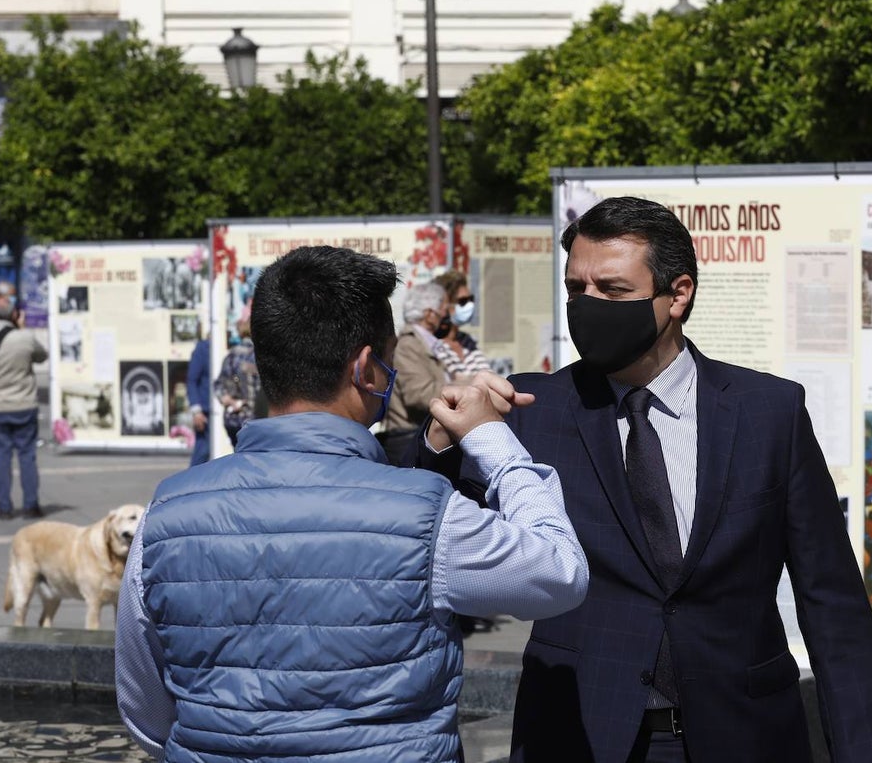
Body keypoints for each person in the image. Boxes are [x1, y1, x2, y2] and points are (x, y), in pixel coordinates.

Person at [415, 197, 872, 762]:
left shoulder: (769, 412)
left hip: (745, 734)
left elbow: (833, 605)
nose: (588, 305)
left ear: (678, 294)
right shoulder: (529, 410)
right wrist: (442, 443)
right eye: (576, 289)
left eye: (613, 290)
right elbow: (424, 533)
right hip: (580, 735)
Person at [114, 245, 588, 762]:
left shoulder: (165, 512)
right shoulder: (428, 517)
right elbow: (559, 573)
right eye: (389, 360)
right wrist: (493, 440)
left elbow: (146, 711)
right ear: (366, 369)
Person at [379, 282, 452, 464]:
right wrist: (462, 388)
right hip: (408, 440)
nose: (446, 314)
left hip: (420, 436)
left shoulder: (426, 342)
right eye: (444, 308)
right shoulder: (409, 345)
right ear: (430, 314)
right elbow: (419, 395)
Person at [0, 298, 48, 520]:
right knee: (27, 456)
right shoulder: (25, 338)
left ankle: (4, 508)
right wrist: (23, 328)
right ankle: (31, 505)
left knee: (1, 457)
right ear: (15, 315)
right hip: (24, 405)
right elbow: (42, 356)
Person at [212, 314, 260, 448]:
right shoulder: (258, 356)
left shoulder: (231, 356)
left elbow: (218, 385)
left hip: (232, 419)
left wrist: (231, 401)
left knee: (238, 452)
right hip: (254, 420)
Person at [433, 268, 493, 376]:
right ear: (445, 304)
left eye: (471, 299)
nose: (470, 305)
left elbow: (489, 375)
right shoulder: (432, 345)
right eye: (463, 301)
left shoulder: (467, 340)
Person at [184, 332, 211, 466]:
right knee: (203, 451)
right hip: (206, 413)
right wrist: (196, 410)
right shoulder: (203, 349)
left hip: (229, 412)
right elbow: (192, 380)